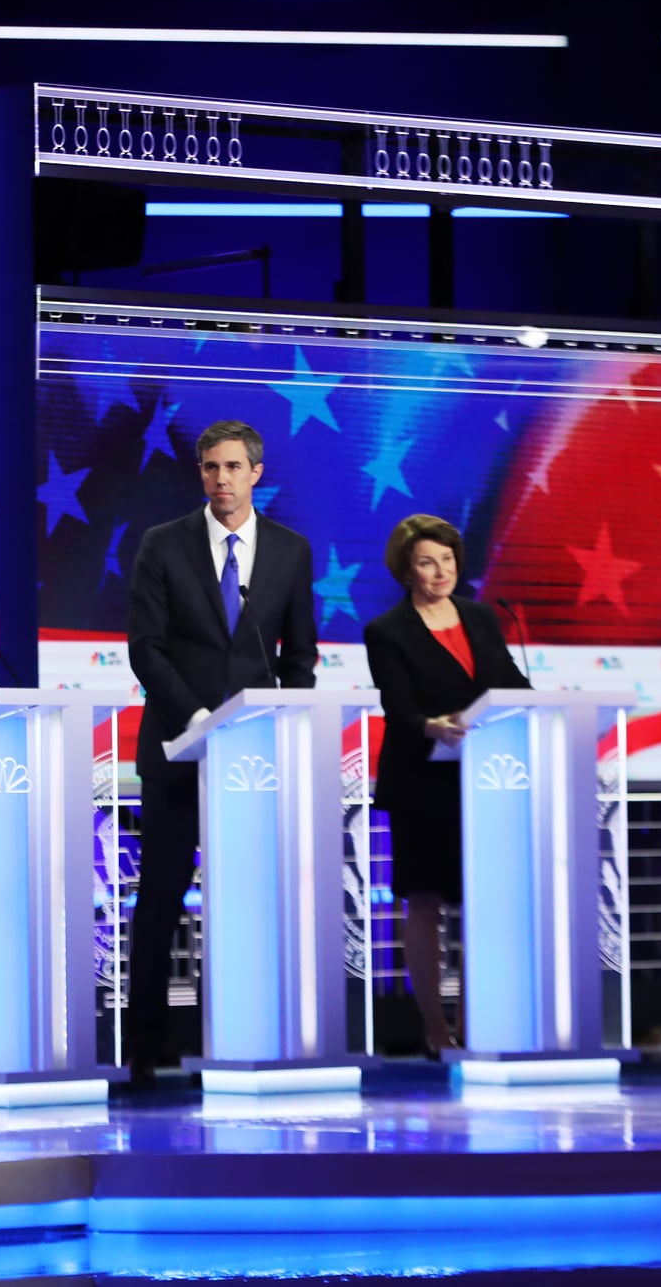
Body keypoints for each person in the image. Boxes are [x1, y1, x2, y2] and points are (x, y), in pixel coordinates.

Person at [125, 419, 317, 1082]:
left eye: (233, 466)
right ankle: (145, 1052)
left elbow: (301, 654)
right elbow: (145, 648)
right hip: (180, 749)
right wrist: (201, 718)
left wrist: (277, 720)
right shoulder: (162, 545)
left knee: (250, 899)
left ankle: (245, 1035)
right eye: (210, 467)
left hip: (255, 764)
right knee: (160, 899)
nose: (221, 478)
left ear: (255, 471)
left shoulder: (291, 550)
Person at [362, 514, 529, 1056]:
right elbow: (399, 710)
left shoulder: (481, 618)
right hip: (421, 783)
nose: (440, 572)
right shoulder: (387, 631)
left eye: (448, 561)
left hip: (483, 781)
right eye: (427, 563)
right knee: (426, 904)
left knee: (481, 903)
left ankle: (477, 1019)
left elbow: (509, 683)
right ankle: (435, 1027)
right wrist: (431, 725)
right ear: (407, 570)